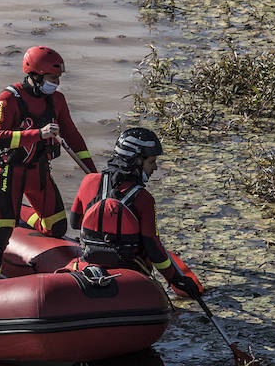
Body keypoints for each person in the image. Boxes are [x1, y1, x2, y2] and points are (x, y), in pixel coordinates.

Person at [0, 46, 94, 279]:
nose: (57, 83)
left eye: (59, 78)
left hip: (38, 172)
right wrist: (38, 134)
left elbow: (72, 135)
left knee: (58, 227)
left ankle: (21, 217)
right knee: (1, 233)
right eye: (53, 78)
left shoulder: (57, 100)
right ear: (36, 75)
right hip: (10, 173)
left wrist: (92, 173)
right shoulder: (9, 98)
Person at [67, 127, 203, 297]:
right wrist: (175, 279)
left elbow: (74, 223)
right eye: (152, 162)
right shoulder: (144, 199)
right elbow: (153, 248)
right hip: (130, 275)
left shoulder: (88, 181)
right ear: (137, 161)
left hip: (88, 265)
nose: (155, 168)